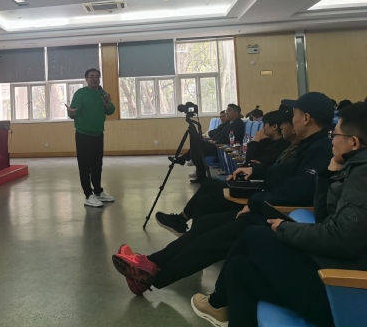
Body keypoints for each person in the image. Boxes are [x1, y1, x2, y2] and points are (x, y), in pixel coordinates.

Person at [111, 92, 334, 296]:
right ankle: (150, 262)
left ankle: (151, 276)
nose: (292, 120)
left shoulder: (320, 149)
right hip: (272, 209)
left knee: (212, 239)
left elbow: (298, 190)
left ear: (306, 118)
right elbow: (284, 172)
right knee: (206, 223)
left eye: (294, 114)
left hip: (283, 219)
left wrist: (255, 202)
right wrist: (256, 171)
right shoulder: (311, 145)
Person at [190, 102, 367, 327]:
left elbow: (341, 238)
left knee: (254, 235)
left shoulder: (362, 175)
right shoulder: (352, 168)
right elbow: (324, 218)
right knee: (239, 269)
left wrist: (285, 229)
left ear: (354, 143)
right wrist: (329, 172)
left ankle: (216, 303)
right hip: (336, 269)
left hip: (345, 291)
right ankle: (217, 305)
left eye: (336, 135)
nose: (331, 139)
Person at [155, 110, 294, 236]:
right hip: (247, 180)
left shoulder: (281, 146)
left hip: (254, 188)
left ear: (274, 127)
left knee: (209, 184)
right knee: (203, 200)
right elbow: (250, 161)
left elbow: (256, 162)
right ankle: (191, 235)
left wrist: (255, 142)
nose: (262, 129)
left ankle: (181, 220)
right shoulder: (267, 142)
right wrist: (254, 157)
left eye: (264, 125)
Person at [67, 68, 116, 207]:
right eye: (92, 76)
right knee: (84, 166)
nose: (95, 79)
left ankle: (98, 192)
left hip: (98, 134)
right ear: (86, 79)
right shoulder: (80, 93)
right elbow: (73, 114)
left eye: (97, 76)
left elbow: (111, 111)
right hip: (83, 135)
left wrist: (107, 104)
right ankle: (88, 195)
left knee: (97, 165)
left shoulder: (102, 93)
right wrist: (71, 112)